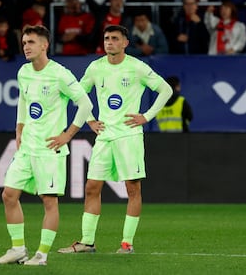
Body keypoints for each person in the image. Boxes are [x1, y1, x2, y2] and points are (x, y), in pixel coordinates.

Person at [58, 25, 173, 254]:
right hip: (104, 136)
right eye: (106, 38)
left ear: (125, 43)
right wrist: (90, 120)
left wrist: (146, 116)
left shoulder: (137, 67)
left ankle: (127, 244)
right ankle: (87, 242)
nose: (109, 42)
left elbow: (166, 90)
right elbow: (78, 95)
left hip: (129, 136)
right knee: (92, 187)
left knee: (132, 189)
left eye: (114, 39)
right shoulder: (96, 67)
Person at [0, 25, 93, 266]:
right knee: (8, 195)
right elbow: (24, 100)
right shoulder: (24, 72)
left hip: (50, 149)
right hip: (28, 146)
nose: (26, 46)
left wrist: (68, 135)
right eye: (24, 42)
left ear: (44, 45)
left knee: (49, 201)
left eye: (31, 42)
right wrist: (19, 127)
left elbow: (86, 104)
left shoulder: (60, 74)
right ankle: (17, 249)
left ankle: (42, 255)